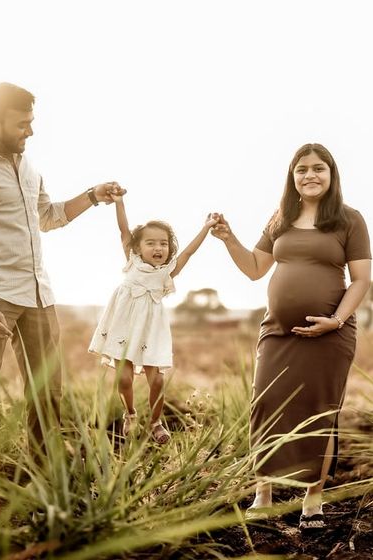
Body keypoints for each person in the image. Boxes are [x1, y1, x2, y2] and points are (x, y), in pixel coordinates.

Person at [0, 82, 125, 467]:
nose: (29, 131)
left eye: (32, 122)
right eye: (21, 124)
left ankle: (45, 474)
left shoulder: (28, 167)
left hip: (39, 296)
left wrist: (93, 196)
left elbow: (48, 217)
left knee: (47, 392)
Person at [211, 143, 371, 531]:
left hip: (331, 334)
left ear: (331, 175)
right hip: (277, 333)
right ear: (292, 176)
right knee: (266, 406)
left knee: (320, 410)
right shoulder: (280, 218)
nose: (310, 175)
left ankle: (311, 500)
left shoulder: (349, 220)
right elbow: (254, 268)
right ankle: (263, 493)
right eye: (302, 169)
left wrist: (335, 320)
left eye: (318, 168)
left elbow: (362, 279)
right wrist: (229, 238)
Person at [89, 191, 218, 444]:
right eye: (151, 243)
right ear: (138, 247)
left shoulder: (167, 272)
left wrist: (206, 227)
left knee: (157, 381)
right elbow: (124, 231)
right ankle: (130, 414)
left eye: (163, 243)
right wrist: (119, 203)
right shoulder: (133, 261)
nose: (158, 247)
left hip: (151, 330)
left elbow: (189, 253)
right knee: (123, 378)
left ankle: (156, 422)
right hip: (123, 326)